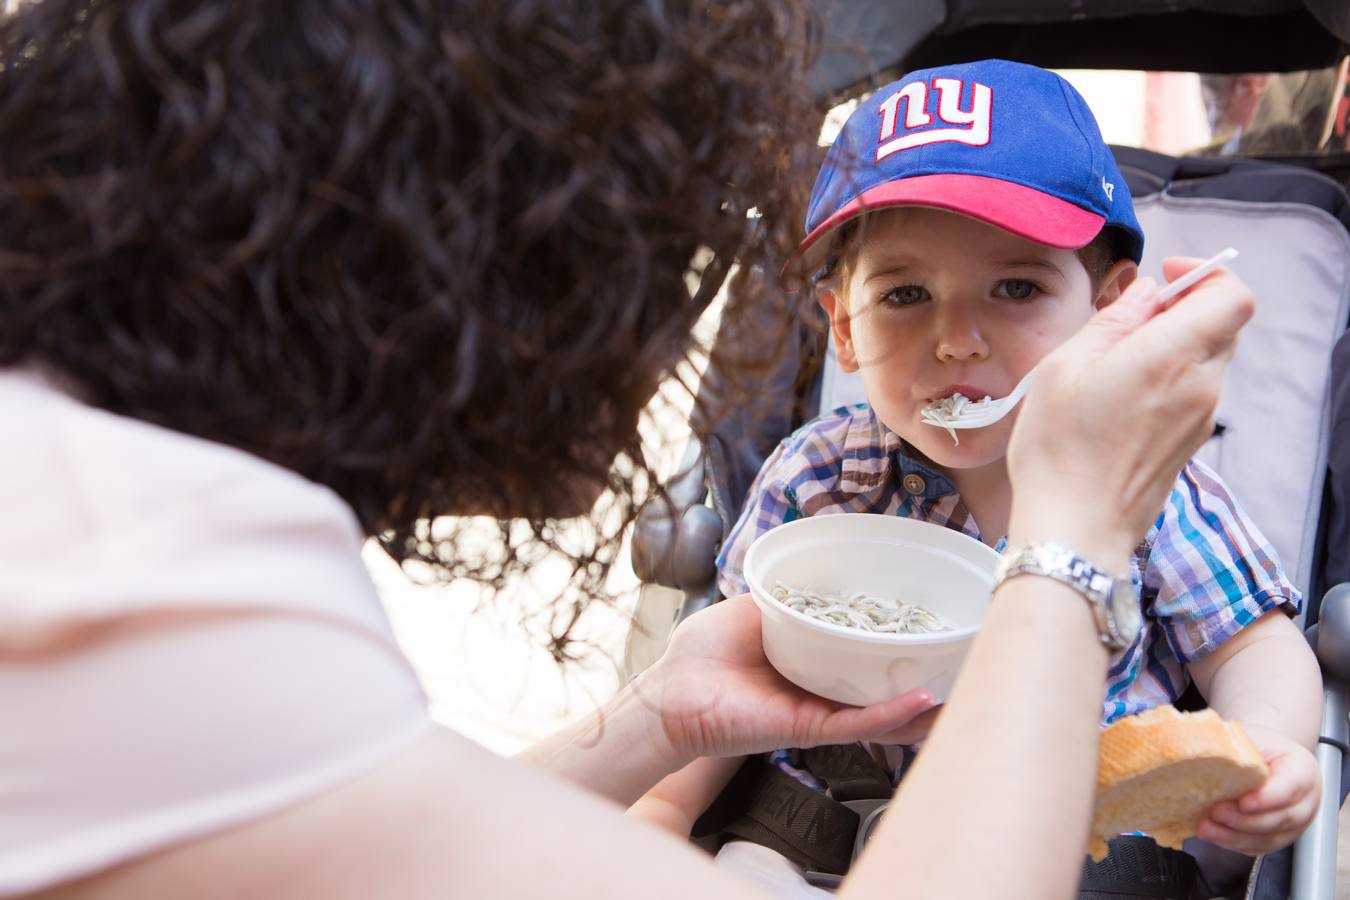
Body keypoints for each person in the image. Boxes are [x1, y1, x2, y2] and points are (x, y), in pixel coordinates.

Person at [0, 5, 1261, 900]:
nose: (656, 355)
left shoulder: (116, 509)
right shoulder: (112, 591)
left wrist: (657, 719)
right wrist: (1071, 541)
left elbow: (401, 832)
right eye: (651, 261)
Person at [632, 59, 1322, 897]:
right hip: (817, 814)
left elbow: (1252, 643)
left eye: (1017, 287)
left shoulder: (1152, 483)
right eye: (908, 294)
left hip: (1076, 826)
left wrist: (1270, 743)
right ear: (844, 329)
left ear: (1110, 309)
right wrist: (661, 815)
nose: (958, 339)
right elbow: (729, 670)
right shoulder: (819, 476)